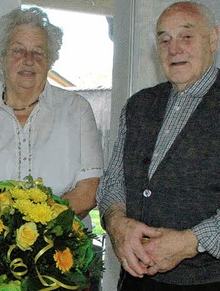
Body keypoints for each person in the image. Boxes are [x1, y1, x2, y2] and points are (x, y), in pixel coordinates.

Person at [0, 7, 103, 290]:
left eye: (39, 51)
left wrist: (34, 240)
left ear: (50, 60)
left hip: (60, 263)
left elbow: (88, 193)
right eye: (18, 50)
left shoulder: (76, 111)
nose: (28, 60)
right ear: (1, 58)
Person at [96, 2, 220, 290]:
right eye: (164, 39)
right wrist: (116, 223)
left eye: (186, 37)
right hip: (135, 280)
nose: (173, 48)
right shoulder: (138, 105)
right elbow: (114, 180)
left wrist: (192, 242)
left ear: (213, 39)